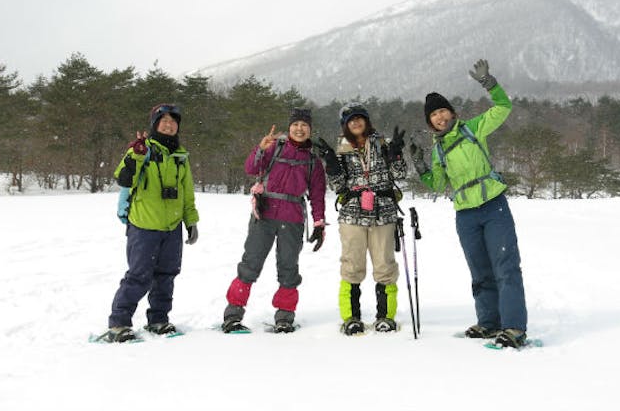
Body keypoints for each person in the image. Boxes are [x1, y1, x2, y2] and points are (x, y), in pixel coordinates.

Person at [409, 59, 528, 348]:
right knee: (479, 270)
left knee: (506, 265)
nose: (439, 117)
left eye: (442, 110)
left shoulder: (472, 128)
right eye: (433, 115)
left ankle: (514, 327)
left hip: (492, 204)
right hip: (465, 213)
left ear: (452, 112)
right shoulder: (438, 150)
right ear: (430, 122)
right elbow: (437, 184)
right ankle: (489, 323)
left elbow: (503, 108)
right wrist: (421, 166)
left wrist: (490, 84)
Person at [98, 103, 200, 343]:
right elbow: (123, 178)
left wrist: (191, 221)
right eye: (163, 120)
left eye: (173, 121)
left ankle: (158, 319)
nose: (169, 124)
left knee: (166, 275)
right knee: (138, 276)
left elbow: (187, 193)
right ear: (154, 124)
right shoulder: (142, 149)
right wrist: (135, 154)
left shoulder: (180, 157)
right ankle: (119, 323)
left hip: (172, 227)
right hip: (144, 225)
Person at [221, 108, 326, 333]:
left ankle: (285, 317)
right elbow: (251, 168)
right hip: (265, 214)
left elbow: (317, 195)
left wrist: (319, 223)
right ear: (289, 128)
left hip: (294, 218)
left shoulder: (313, 161)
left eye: (304, 126)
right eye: (295, 125)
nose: (299, 129)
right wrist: (260, 149)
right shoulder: (274, 148)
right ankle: (233, 314)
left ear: (310, 130)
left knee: (288, 269)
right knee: (250, 264)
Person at [313, 103, 407, 335]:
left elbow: (400, 174)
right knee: (352, 267)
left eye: (359, 118)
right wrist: (332, 166)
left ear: (366, 121)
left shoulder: (382, 145)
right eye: (350, 120)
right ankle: (351, 317)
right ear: (344, 125)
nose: (355, 122)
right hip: (352, 215)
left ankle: (386, 317)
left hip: (383, 213)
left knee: (385, 267)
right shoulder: (341, 151)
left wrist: (396, 154)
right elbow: (338, 187)